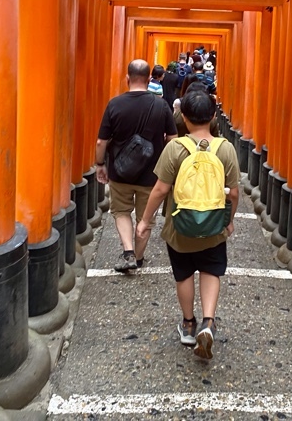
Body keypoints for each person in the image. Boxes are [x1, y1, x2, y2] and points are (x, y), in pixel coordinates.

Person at [137, 89, 239, 360]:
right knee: (211, 269)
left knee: (183, 273)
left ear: (183, 116)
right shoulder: (225, 148)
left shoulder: (175, 148)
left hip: (179, 225)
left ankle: (188, 324)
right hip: (214, 224)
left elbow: (160, 189)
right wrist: (228, 222)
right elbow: (234, 192)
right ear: (214, 116)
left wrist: (145, 221)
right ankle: (208, 322)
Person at [96, 60, 177, 272]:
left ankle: (128, 251)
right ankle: (139, 258)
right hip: (151, 174)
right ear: (149, 79)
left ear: (127, 78)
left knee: (121, 211)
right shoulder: (162, 105)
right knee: (145, 218)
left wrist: (99, 164)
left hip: (120, 171)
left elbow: (101, 141)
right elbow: (173, 138)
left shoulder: (114, 104)